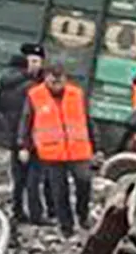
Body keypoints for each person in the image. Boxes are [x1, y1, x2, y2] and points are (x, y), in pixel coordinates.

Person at [19, 64, 96, 236]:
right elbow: (26, 122)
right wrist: (23, 145)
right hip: (52, 153)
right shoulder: (35, 96)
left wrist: (95, 146)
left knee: (84, 182)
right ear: (46, 78)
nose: (56, 84)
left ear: (65, 79)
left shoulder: (76, 94)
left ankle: (82, 214)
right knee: (59, 192)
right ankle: (66, 227)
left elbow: (88, 121)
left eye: (59, 80)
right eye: (53, 80)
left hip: (78, 150)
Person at [0, 44, 45, 224]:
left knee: (20, 177)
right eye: (31, 61)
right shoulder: (30, 86)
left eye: (37, 61)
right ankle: (35, 215)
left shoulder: (8, 81)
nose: (35, 65)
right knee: (32, 176)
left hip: (17, 134)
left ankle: (18, 210)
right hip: (28, 135)